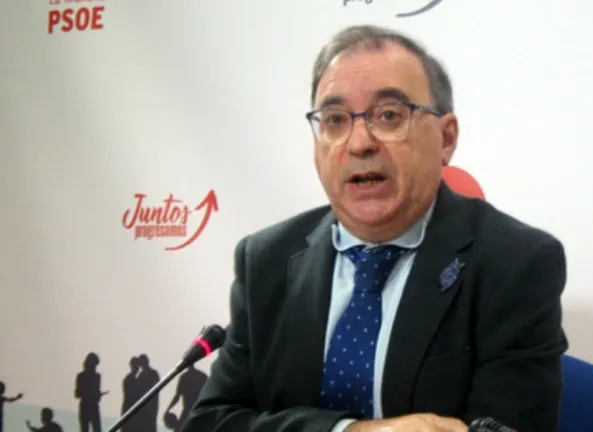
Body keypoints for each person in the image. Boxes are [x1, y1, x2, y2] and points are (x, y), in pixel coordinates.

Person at [181, 24, 568, 432]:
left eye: (389, 115)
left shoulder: (515, 263)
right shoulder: (266, 260)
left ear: (446, 138)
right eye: (335, 120)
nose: (359, 142)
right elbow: (210, 423)